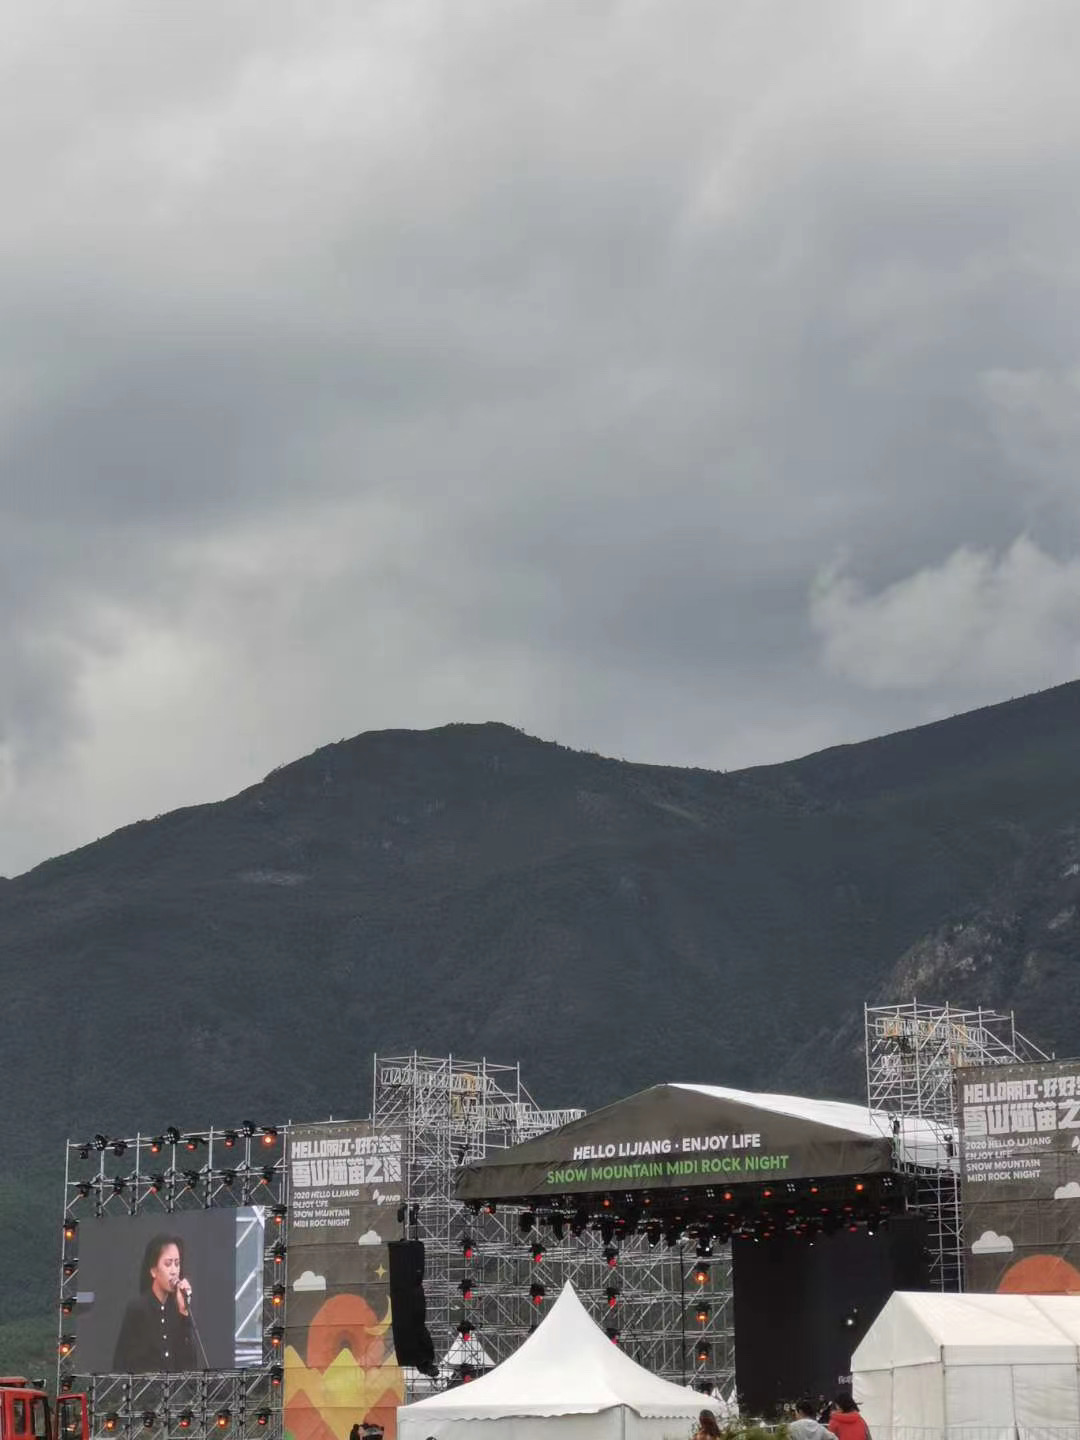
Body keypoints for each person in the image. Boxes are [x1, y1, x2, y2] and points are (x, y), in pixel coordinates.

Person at [112, 1234, 197, 1372]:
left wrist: (184, 1312)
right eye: (168, 1264)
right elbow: (121, 1362)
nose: (174, 1271)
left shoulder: (178, 1310)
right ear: (153, 1271)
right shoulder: (138, 1309)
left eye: (177, 1264)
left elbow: (190, 1365)